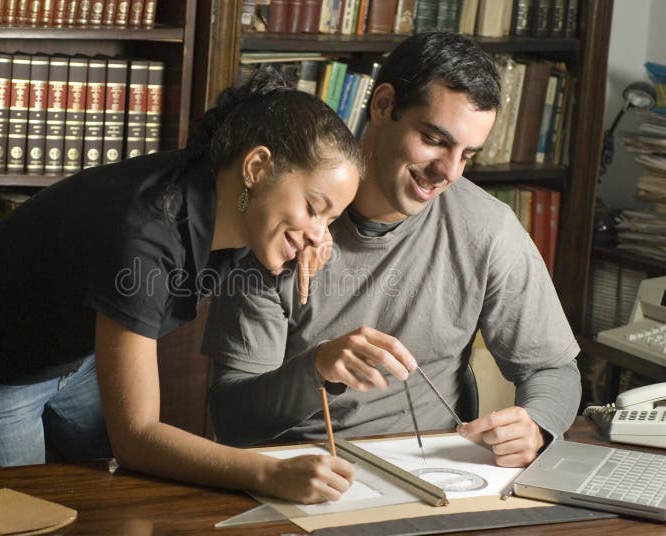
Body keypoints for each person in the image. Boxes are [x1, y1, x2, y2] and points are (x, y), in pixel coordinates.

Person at [0, 69, 363, 504]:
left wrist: (296, 239)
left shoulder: (230, 197)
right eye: (313, 208)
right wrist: (269, 471)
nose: (319, 236)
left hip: (77, 357)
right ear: (257, 166)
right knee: (20, 519)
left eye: (330, 220)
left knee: (121, 503)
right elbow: (137, 439)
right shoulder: (146, 232)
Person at [203, 31, 581, 468]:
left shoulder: (489, 229)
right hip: (301, 474)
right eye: (435, 140)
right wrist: (318, 368)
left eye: (467, 155)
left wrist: (535, 424)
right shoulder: (283, 223)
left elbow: (552, 369)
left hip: (440, 474)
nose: (449, 172)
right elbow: (232, 419)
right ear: (383, 105)